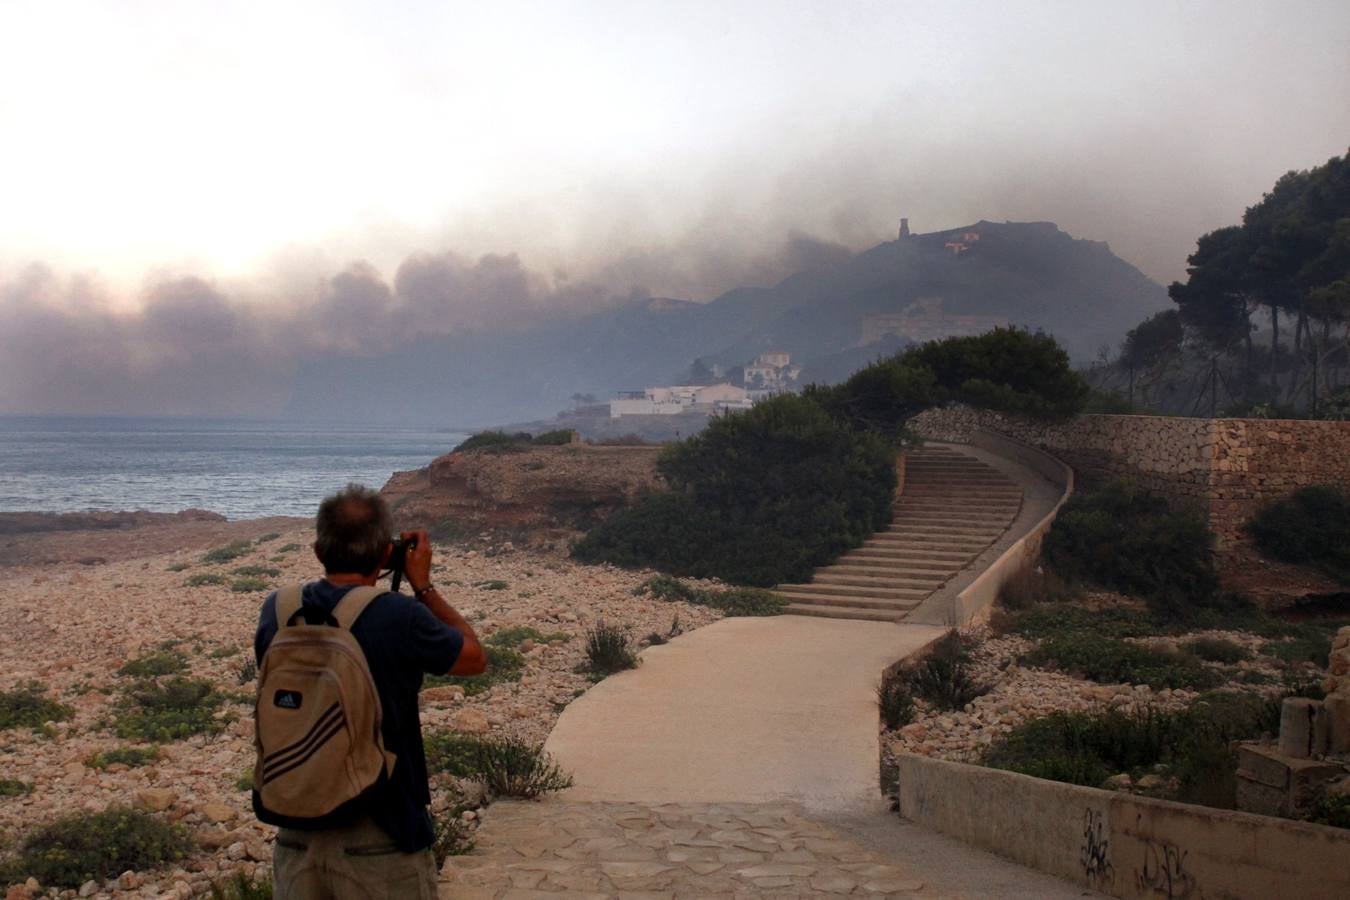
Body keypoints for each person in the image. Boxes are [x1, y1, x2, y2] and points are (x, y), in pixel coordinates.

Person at [253, 483, 486, 899]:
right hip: (381, 832)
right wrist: (424, 586)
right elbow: (473, 657)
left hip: (296, 832)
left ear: (318, 551)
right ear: (385, 554)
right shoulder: (398, 615)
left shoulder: (278, 610)